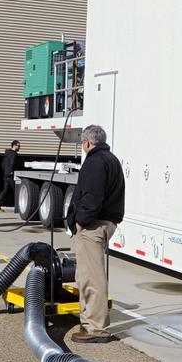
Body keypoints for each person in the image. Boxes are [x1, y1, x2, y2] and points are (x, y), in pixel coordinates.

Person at [69, 124, 125, 343]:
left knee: (92, 278)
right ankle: (88, 322)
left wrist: (81, 222)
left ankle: (96, 329)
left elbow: (92, 197)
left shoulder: (95, 162)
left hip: (93, 225)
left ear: (87, 143)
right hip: (105, 222)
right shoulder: (111, 159)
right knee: (84, 276)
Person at [0, 140, 21, 211]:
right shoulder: (14, 154)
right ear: (14, 145)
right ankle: (19, 208)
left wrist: (6, 171)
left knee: (5, 190)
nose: (19, 147)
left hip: (6, 174)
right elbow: (12, 163)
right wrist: (12, 172)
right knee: (17, 190)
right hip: (11, 175)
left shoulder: (7, 153)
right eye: (18, 146)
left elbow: (3, 164)